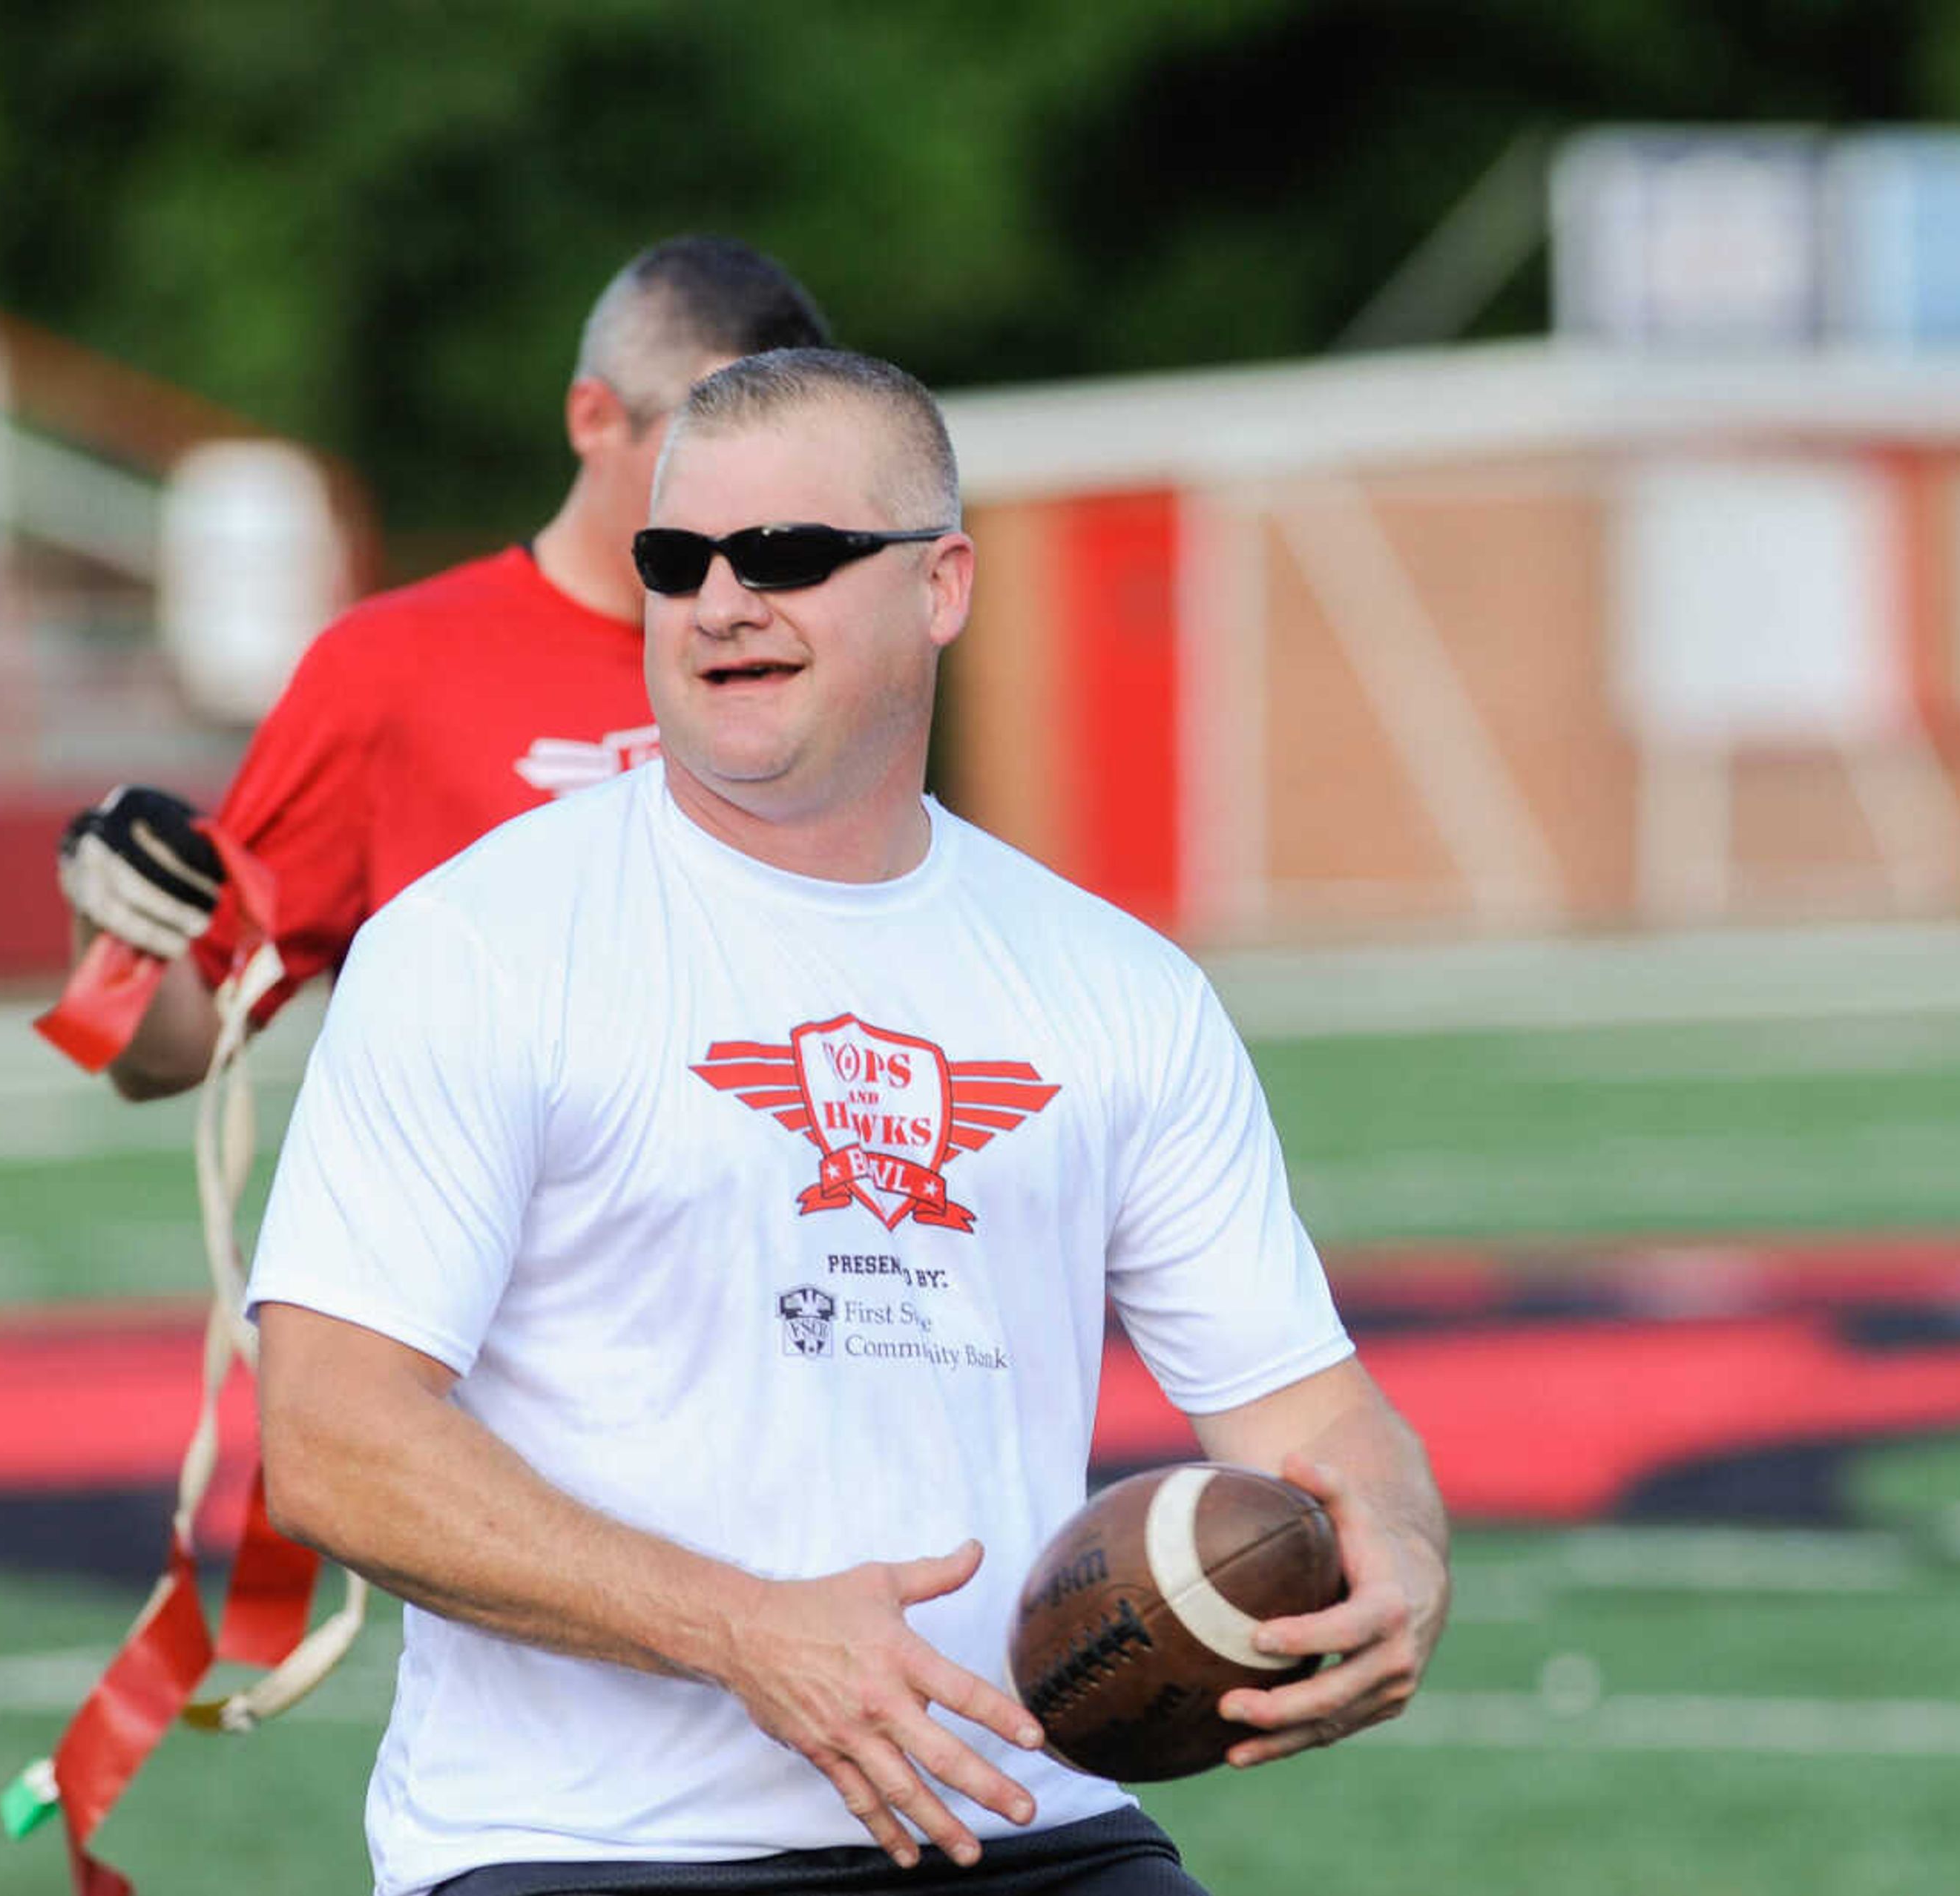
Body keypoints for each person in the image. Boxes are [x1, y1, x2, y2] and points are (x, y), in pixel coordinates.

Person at [244, 349, 1452, 1896]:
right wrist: (741, 1630)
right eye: (677, 562)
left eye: (792, 556)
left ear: (943, 585)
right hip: (587, 1853)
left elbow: (1311, 1417)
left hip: (1026, 1826)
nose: (723, 600)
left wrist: (1401, 1552)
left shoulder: (1116, 985)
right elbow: (333, 1439)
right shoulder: (477, 943)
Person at [53, 237, 831, 1097]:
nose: (754, 492)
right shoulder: (390, 665)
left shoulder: (815, 653)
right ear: (595, 418)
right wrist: (116, 921)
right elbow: (161, 1053)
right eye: (710, 440)